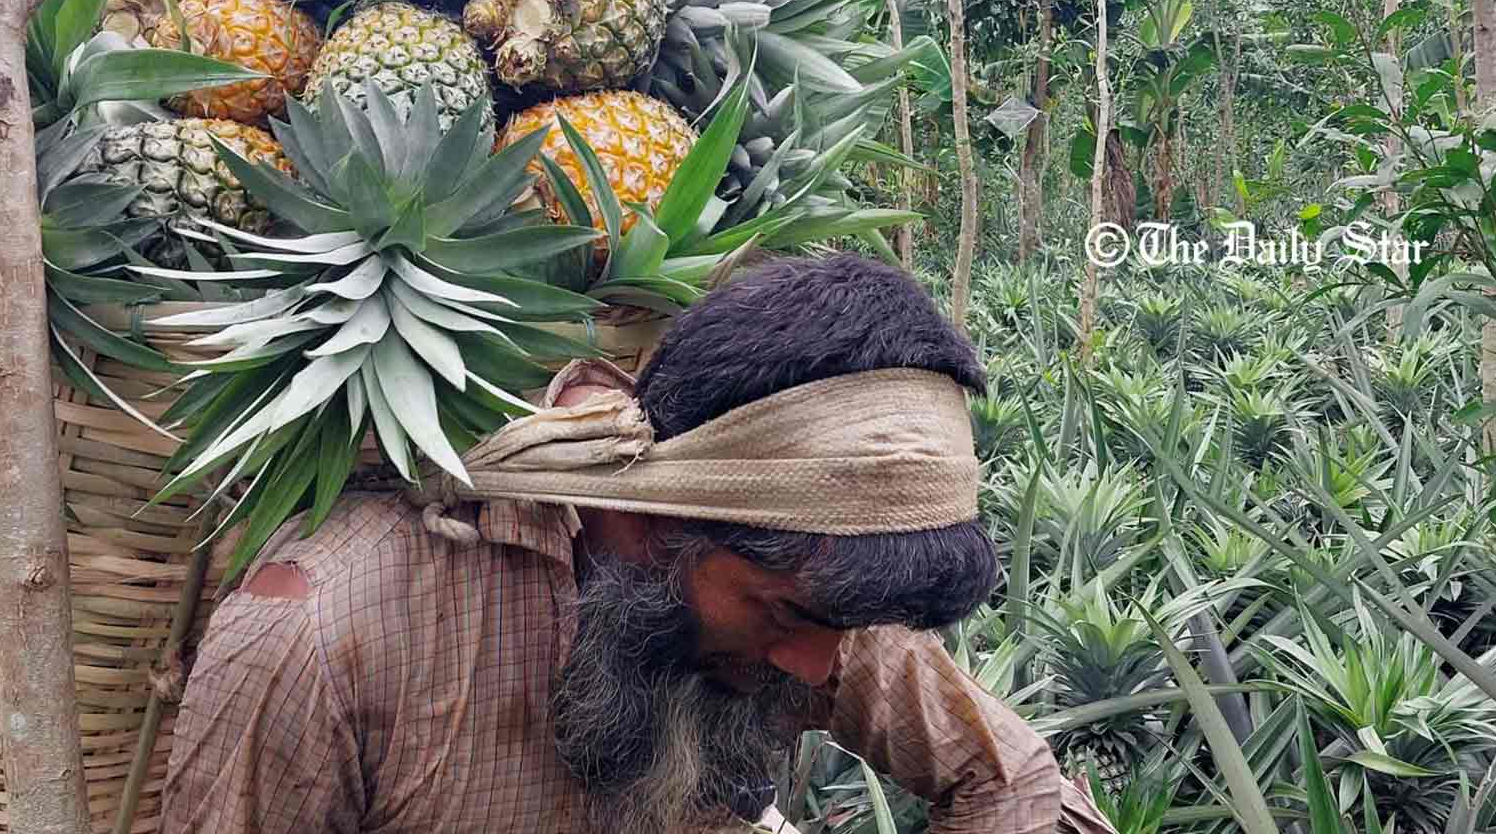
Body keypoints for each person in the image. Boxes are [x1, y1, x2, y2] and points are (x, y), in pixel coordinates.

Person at [162, 254, 1114, 834]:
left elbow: (1005, 779)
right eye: (786, 616)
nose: (823, 668)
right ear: (653, 515)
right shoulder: (326, 637)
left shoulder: (807, 590)